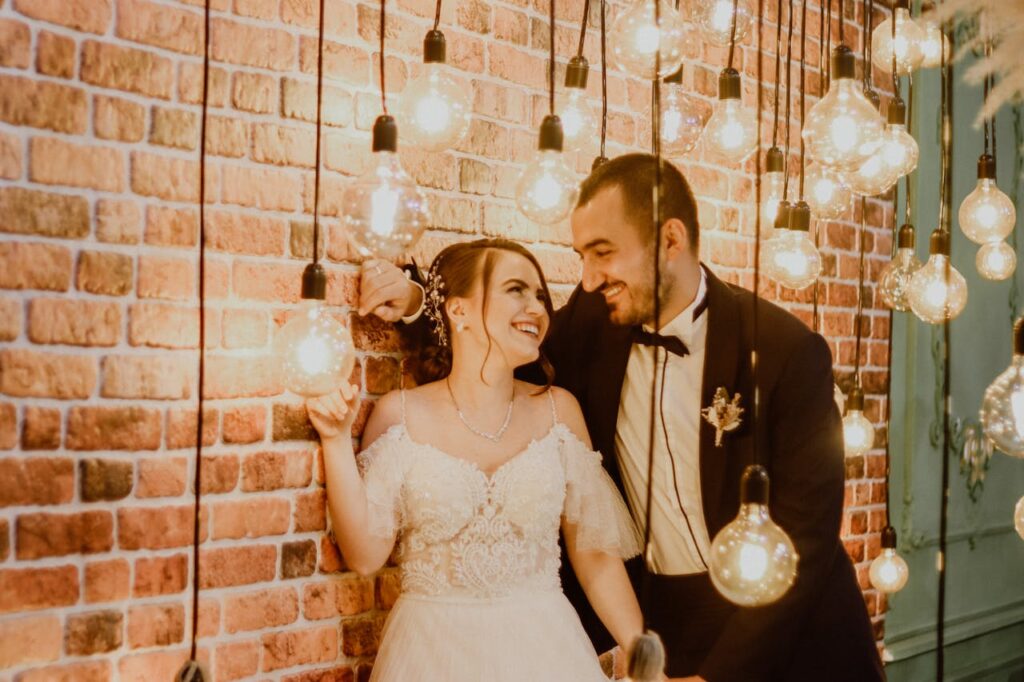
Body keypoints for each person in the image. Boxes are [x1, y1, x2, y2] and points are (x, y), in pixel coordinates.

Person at [361, 154, 885, 681]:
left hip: (788, 633)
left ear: (670, 241)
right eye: (582, 256)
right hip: (663, 623)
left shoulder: (783, 351)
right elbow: (495, 344)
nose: (587, 280)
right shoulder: (595, 322)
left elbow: (807, 537)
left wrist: (717, 677)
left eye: (603, 253)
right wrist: (415, 299)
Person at [307, 239, 645, 681]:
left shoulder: (559, 411)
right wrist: (334, 440)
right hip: (430, 653)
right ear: (458, 310)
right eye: (516, 290)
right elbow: (366, 554)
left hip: (546, 652)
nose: (537, 308)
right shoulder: (401, 413)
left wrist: (648, 661)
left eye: (539, 295)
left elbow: (597, 558)